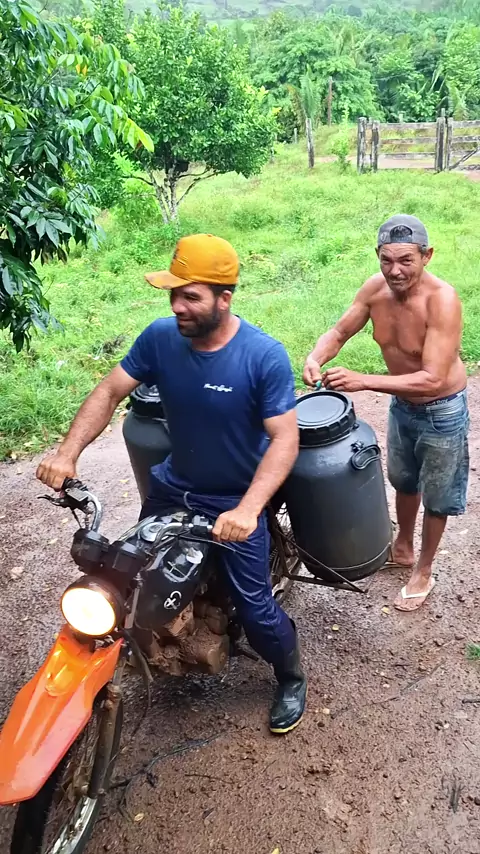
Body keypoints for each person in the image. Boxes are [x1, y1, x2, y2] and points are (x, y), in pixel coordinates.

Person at [37, 233, 306, 734]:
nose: (177, 306)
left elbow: (284, 440)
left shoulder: (262, 355)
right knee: (124, 578)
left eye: (191, 296)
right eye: (173, 294)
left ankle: (290, 676)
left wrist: (248, 509)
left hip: (232, 499)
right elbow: (110, 391)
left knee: (254, 608)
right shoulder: (160, 338)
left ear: (225, 298)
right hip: (171, 489)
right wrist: (67, 452)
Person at [303, 214, 469, 612]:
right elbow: (339, 332)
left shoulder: (442, 300)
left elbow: (432, 378)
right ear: (377, 255)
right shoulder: (374, 290)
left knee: (438, 496)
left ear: (427, 256)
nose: (395, 271)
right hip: (403, 405)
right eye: (386, 260)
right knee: (404, 481)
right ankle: (403, 547)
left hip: (441, 410)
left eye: (406, 260)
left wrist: (363, 380)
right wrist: (315, 357)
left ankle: (424, 571)